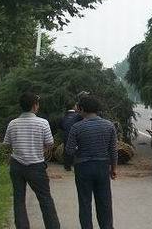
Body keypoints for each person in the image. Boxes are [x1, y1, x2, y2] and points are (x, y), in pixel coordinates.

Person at [3, 91, 60, 229]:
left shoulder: (13, 123)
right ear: (35, 106)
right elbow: (50, 143)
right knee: (45, 199)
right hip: (36, 166)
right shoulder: (43, 123)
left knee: (19, 199)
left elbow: (6, 144)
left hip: (17, 165)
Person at [66, 94, 117, 229]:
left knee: (84, 203)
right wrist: (114, 169)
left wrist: (79, 150)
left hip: (83, 168)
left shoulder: (76, 127)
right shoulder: (109, 125)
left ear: (82, 109)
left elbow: (69, 151)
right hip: (102, 167)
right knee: (104, 203)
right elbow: (113, 151)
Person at [61, 98, 82, 171]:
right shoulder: (78, 116)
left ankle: (67, 166)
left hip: (66, 135)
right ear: (74, 107)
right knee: (77, 149)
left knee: (66, 149)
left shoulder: (63, 116)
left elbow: (61, 126)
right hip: (76, 135)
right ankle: (76, 164)